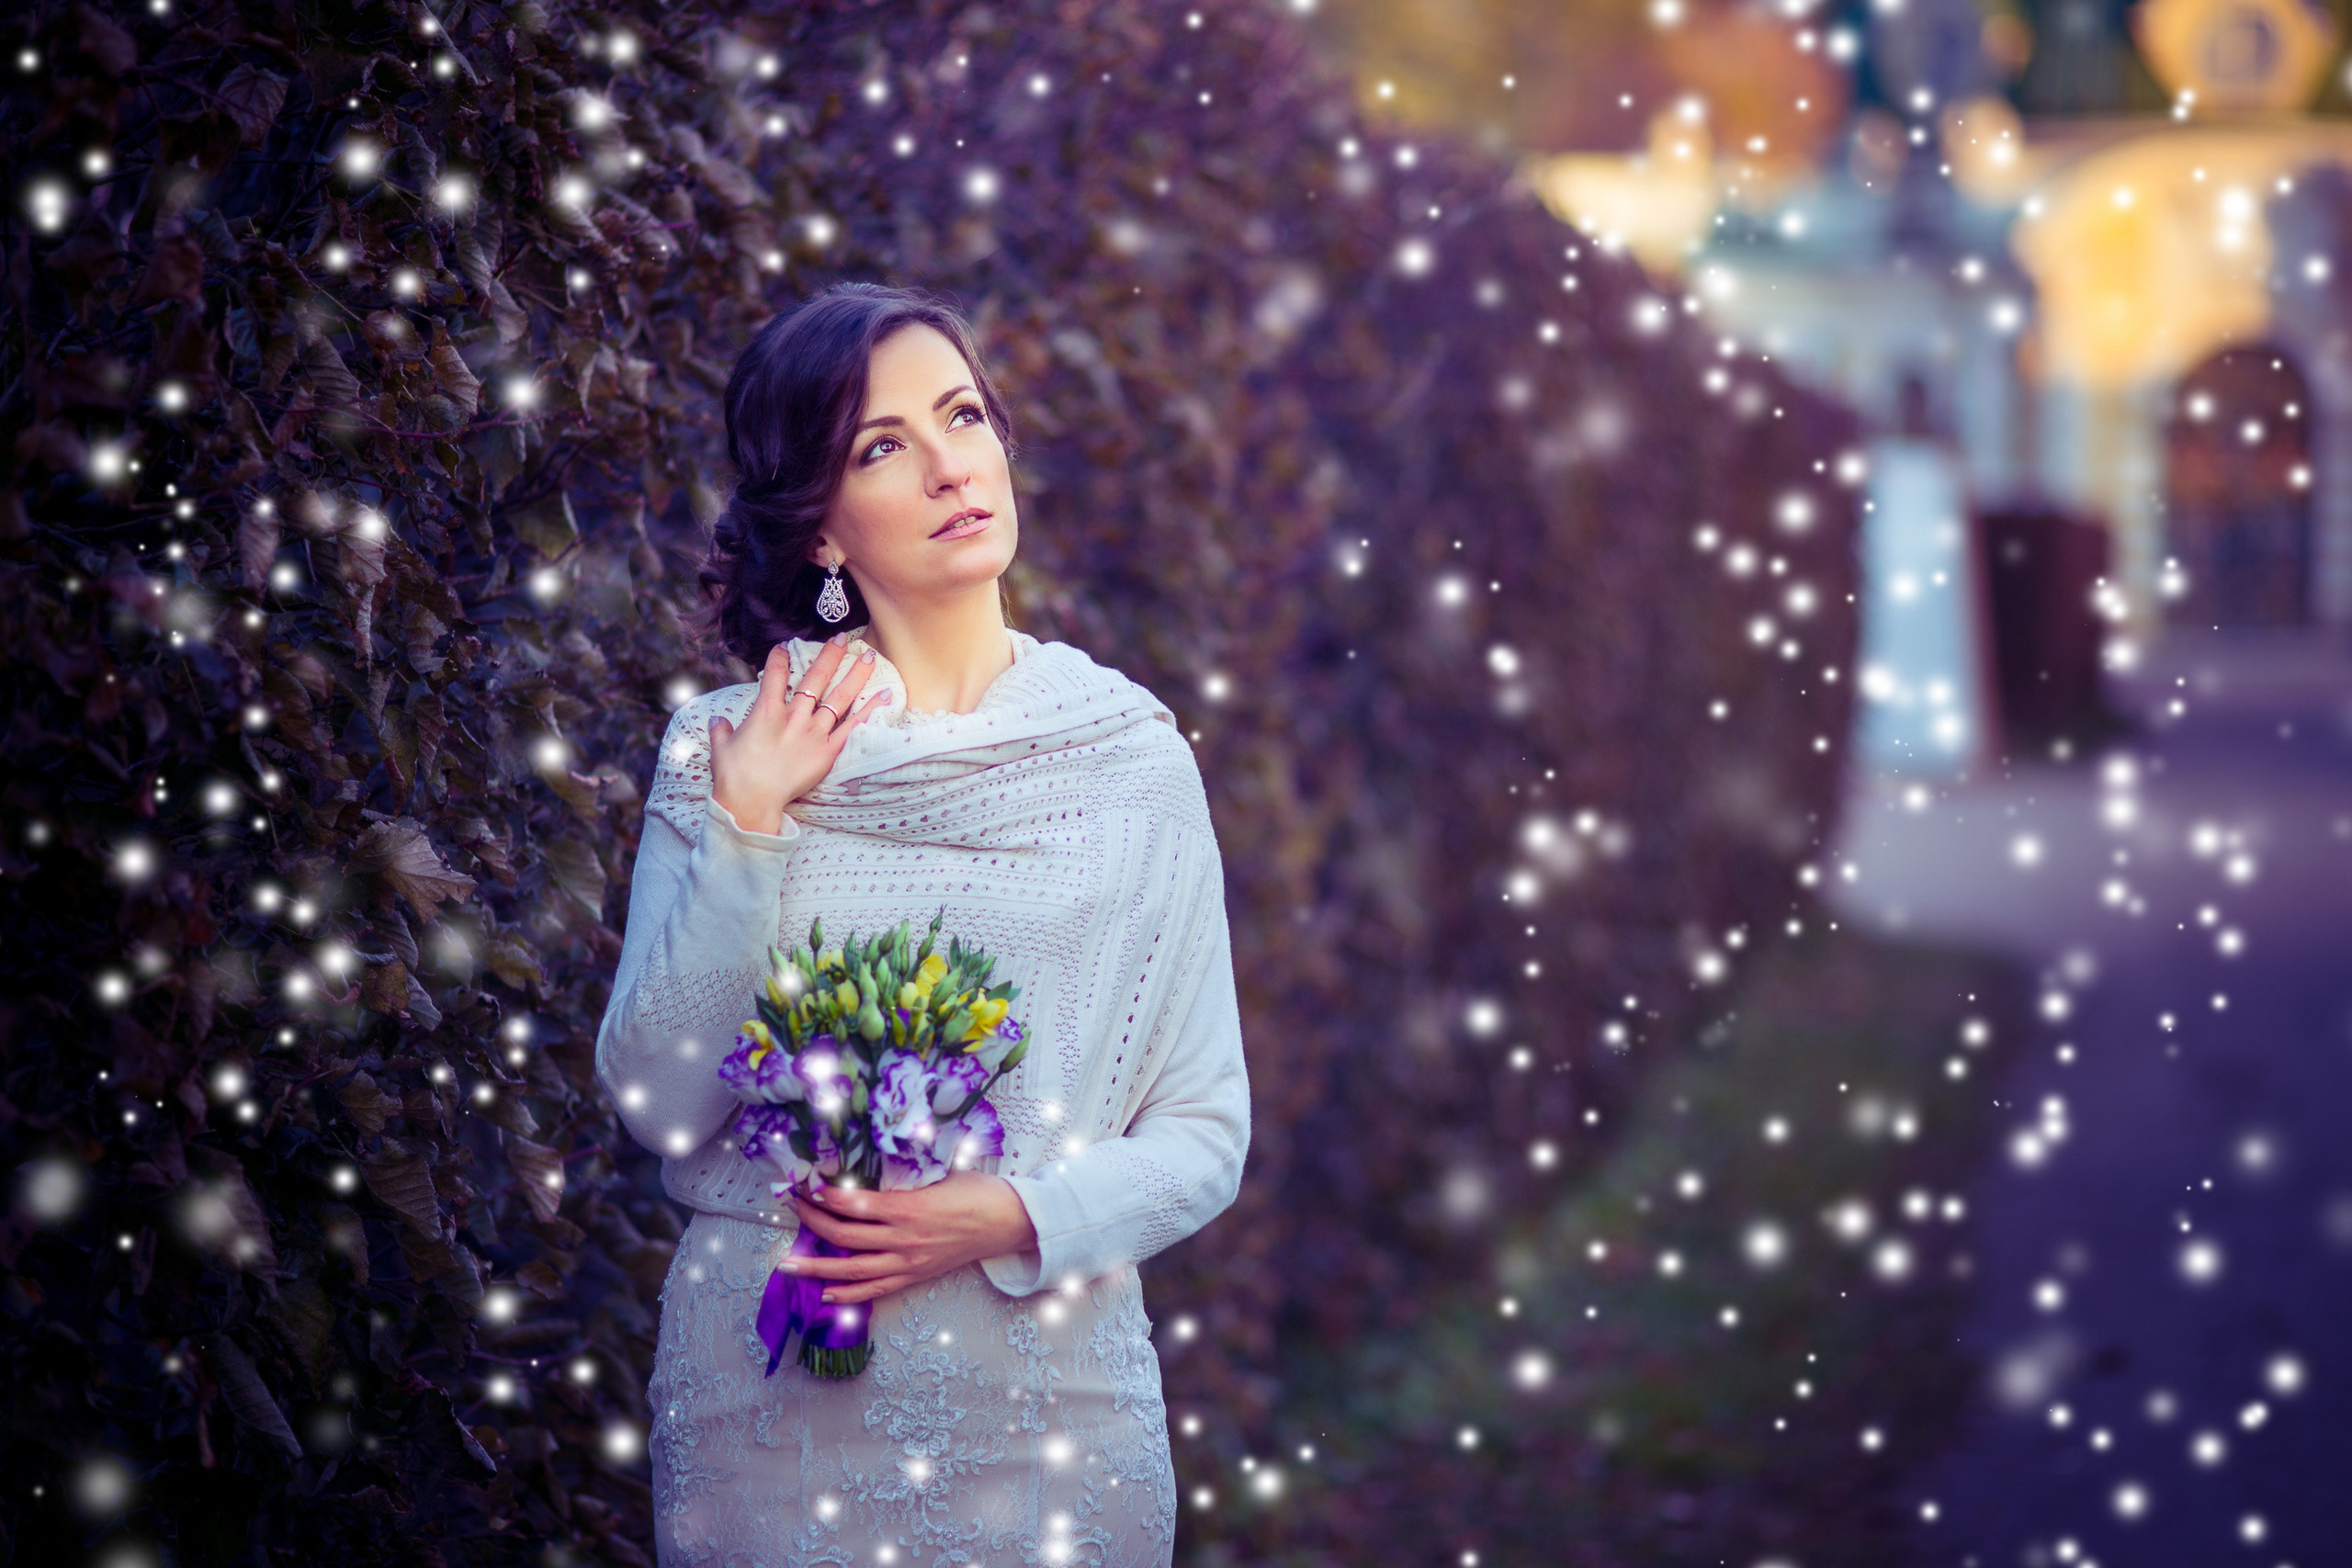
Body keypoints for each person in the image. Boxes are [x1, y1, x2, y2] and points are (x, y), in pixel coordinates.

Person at [594, 281, 1251, 1568]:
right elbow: (664, 1106)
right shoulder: (724, 751)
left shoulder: (1129, 759)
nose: (951, 464)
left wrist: (1009, 1214)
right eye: (881, 446)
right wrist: (749, 824)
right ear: (823, 528)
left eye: (963, 415)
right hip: (772, 1410)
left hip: (1054, 1409)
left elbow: (1205, 1134)